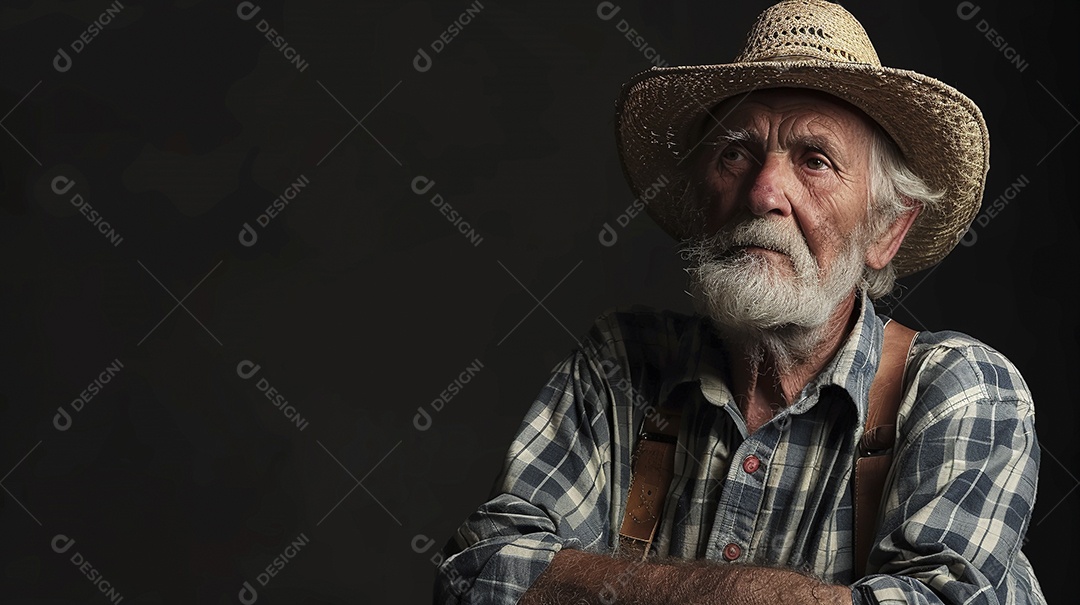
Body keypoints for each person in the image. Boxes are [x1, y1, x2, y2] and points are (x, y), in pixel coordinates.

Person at [433, 1, 1046, 603]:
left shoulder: (961, 390)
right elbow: (479, 574)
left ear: (886, 230)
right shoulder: (619, 364)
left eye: (815, 160)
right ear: (703, 199)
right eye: (736, 153)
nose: (763, 192)